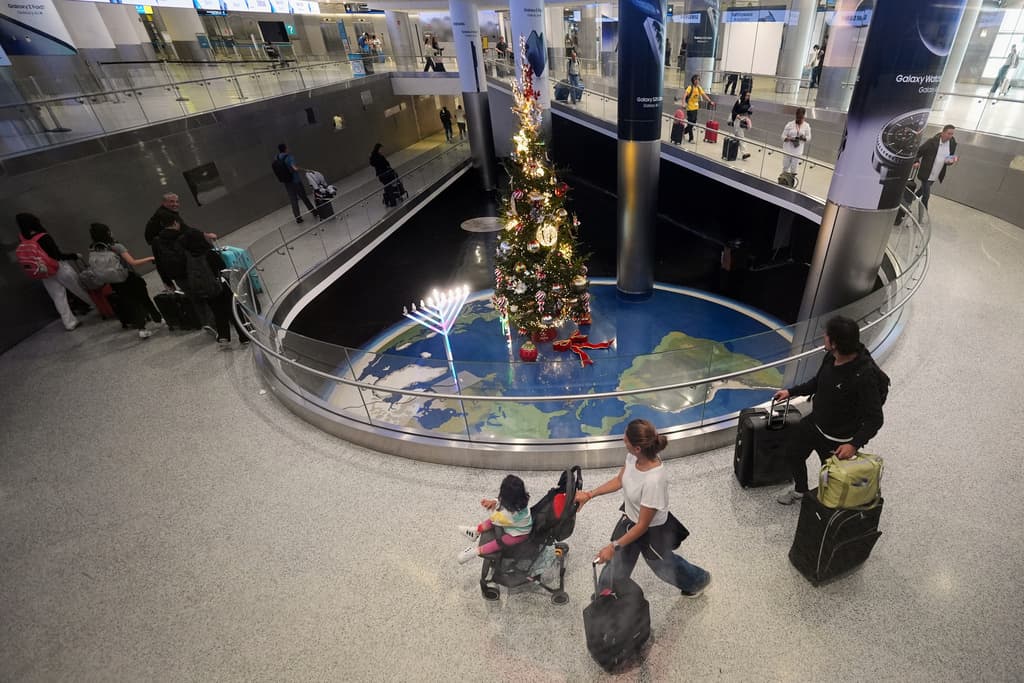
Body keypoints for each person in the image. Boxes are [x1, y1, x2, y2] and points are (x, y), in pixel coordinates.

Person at [575, 419, 712, 597]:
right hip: (631, 520)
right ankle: (604, 596)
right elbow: (619, 481)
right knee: (617, 562)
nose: (623, 440)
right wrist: (590, 494)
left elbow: (642, 526)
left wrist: (613, 545)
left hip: (652, 531)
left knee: (663, 567)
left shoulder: (654, 480)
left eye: (625, 440)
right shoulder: (633, 457)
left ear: (638, 448)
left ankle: (699, 581)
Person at [773, 316, 885, 505]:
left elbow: (875, 419)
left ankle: (827, 503)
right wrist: (791, 392)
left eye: (826, 336)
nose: (823, 337)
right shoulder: (831, 357)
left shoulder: (864, 377)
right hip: (814, 423)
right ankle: (800, 490)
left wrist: (854, 445)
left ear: (835, 343)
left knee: (833, 478)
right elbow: (818, 383)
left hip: (838, 439)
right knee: (793, 453)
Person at [16, 213, 92, 331]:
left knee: (58, 297)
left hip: (43, 271)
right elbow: (57, 255)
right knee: (79, 288)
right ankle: (99, 306)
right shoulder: (43, 236)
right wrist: (75, 255)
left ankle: (69, 323)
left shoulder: (22, 238)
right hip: (58, 267)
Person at [88, 223, 162, 339]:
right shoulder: (116, 246)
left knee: (131, 304)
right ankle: (158, 318)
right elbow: (133, 262)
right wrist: (150, 258)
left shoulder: (93, 249)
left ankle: (141, 329)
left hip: (115, 283)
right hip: (128, 278)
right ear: (108, 233)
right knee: (144, 298)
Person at [180, 229, 246, 349]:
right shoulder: (209, 254)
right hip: (221, 286)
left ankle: (223, 337)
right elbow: (222, 268)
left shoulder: (189, 257)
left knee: (218, 313)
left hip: (206, 291)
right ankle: (244, 335)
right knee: (233, 310)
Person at [456, 474, 532, 564]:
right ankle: (476, 531)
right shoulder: (519, 500)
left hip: (518, 535)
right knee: (493, 521)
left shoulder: (510, 515)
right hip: (517, 525)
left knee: (500, 542)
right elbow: (501, 502)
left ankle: (475, 552)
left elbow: (494, 518)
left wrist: (492, 508)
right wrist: (494, 501)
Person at [912, 124, 958, 209]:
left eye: (952, 134)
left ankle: (908, 200)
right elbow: (918, 152)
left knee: (921, 191)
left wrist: (950, 161)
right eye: (949, 133)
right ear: (943, 133)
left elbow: (949, 158)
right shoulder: (931, 142)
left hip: (936, 174)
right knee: (926, 196)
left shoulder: (952, 143)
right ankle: (922, 218)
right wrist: (916, 161)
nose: (950, 136)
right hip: (926, 173)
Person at [273, 143, 315, 224]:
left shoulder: (276, 158)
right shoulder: (289, 157)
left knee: (293, 200)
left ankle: (298, 218)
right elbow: (294, 168)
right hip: (296, 181)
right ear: (285, 149)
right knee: (304, 197)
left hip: (287, 183)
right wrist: (305, 170)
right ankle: (314, 211)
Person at [683, 74, 713, 144]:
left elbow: (704, 95)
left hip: (696, 108)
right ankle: (691, 138)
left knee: (693, 122)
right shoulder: (690, 88)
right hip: (690, 108)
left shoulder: (699, 88)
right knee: (690, 123)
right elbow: (685, 95)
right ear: (693, 80)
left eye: (698, 79)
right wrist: (683, 103)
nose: (697, 81)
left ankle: (683, 132)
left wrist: (710, 101)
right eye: (695, 79)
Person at [781, 107, 811, 177]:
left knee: (794, 169)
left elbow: (809, 137)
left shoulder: (807, 126)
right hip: (788, 150)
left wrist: (804, 138)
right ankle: (783, 181)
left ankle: (791, 182)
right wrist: (789, 138)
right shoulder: (790, 124)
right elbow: (782, 136)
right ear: (796, 116)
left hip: (797, 152)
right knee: (785, 167)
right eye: (798, 117)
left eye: (801, 118)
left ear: (804, 116)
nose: (799, 119)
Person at [729, 91, 753, 161]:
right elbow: (733, 111)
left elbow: (749, 112)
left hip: (743, 120)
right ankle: (744, 153)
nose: (747, 97)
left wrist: (750, 112)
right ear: (743, 95)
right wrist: (737, 115)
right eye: (746, 96)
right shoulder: (739, 101)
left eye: (749, 96)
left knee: (738, 136)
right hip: (737, 120)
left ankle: (732, 151)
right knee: (741, 136)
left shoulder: (748, 103)